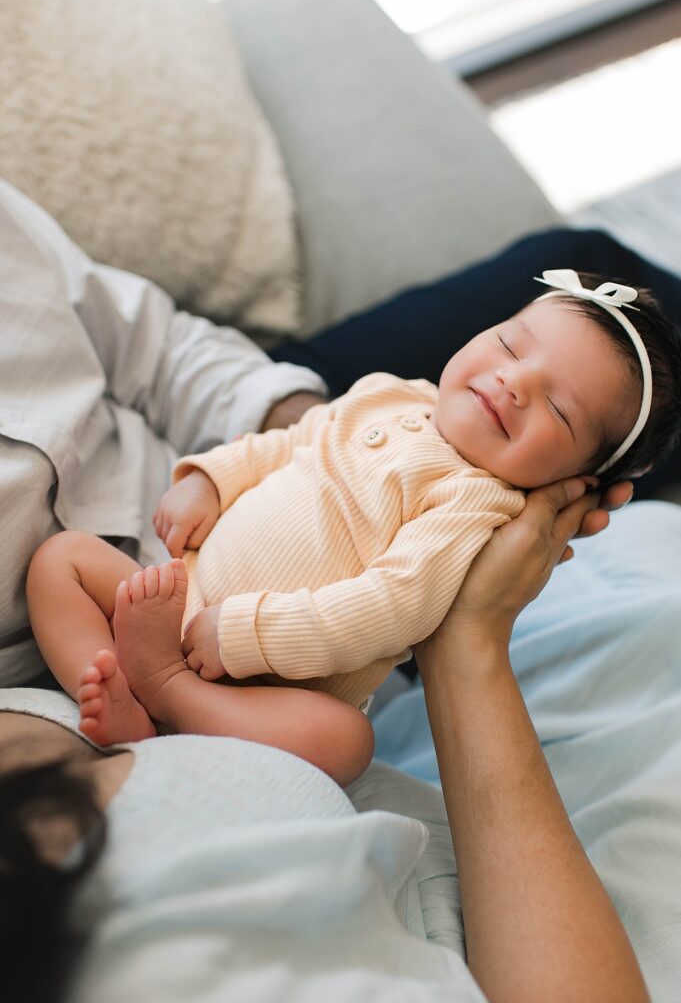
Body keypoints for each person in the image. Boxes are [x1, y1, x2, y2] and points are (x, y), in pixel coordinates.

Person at [0, 478, 652, 1003]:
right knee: (348, 736)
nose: (510, 381)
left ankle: (139, 693)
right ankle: (163, 687)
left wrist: (203, 479)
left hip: (163, 642)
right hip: (253, 682)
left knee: (64, 556)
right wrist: (466, 641)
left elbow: (272, 445)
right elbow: (391, 599)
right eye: (508, 351)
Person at [25, 270, 681, 778]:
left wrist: (249, 635)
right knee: (63, 559)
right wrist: (209, 479)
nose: (514, 382)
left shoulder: (477, 507)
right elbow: (288, 444)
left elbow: (391, 606)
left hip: (265, 686)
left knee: (344, 743)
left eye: (558, 410)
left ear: (576, 483)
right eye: (511, 343)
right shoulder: (386, 392)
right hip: (171, 595)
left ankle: (170, 697)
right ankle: (116, 686)